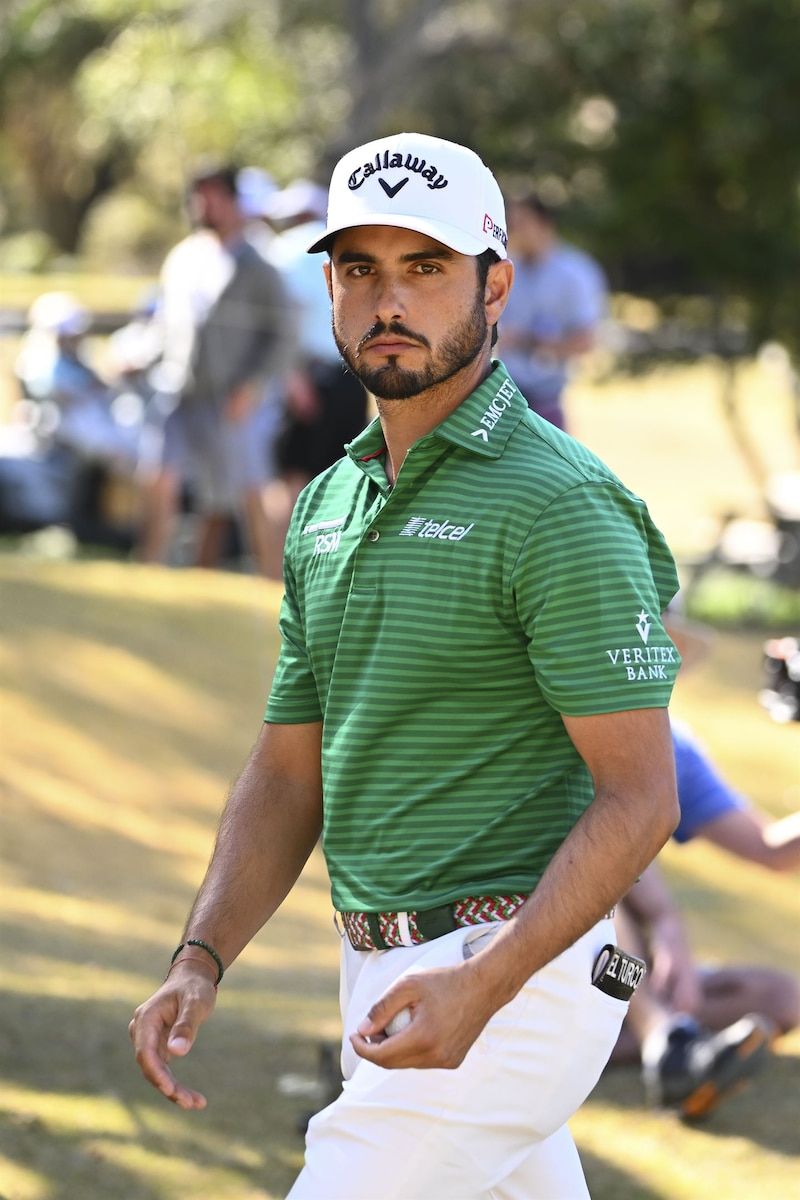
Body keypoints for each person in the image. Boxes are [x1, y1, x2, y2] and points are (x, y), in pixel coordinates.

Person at [130, 132, 682, 1200]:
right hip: (386, 972)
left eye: (425, 267)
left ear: (494, 285)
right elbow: (289, 773)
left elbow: (640, 795)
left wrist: (485, 983)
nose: (390, 300)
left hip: (520, 975)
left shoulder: (559, 503)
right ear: (328, 288)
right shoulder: (327, 506)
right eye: (359, 268)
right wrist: (199, 957)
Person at [609, 721, 800, 1116]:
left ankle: (587, 1039)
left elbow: (772, 849)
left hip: (621, 965)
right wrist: (665, 920)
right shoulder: (584, 720)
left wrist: (667, 928)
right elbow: (600, 842)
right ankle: (667, 1043)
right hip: (552, 925)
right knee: (600, 895)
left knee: (781, 999)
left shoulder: (672, 743)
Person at [137, 164, 291, 573]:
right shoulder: (184, 256)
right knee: (158, 476)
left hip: (229, 396)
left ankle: (271, 578)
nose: (204, 205)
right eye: (199, 196)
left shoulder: (258, 265)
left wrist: (252, 386)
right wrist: (140, 355)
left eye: (214, 197)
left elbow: (282, 334)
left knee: (245, 491)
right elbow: (165, 323)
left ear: (234, 202)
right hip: (177, 388)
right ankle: (150, 566)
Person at [263, 178, 369, 551]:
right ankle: (317, 558)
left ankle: (282, 562)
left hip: (306, 374)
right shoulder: (352, 247)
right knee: (338, 475)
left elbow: (281, 320)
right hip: (351, 372)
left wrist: (291, 376)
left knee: (291, 477)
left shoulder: (282, 252)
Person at [495, 193, 607, 430]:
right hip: (501, 399)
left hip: (546, 401)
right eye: (511, 225)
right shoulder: (504, 268)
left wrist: (527, 341)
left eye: (522, 224)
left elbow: (586, 341)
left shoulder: (575, 274)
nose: (515, 232)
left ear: (544, 225)